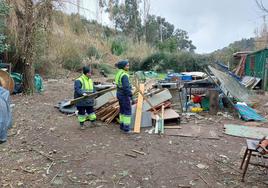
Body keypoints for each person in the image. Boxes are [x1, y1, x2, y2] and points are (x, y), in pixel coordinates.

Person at [115, 60, 132, 133]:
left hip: (119, 93)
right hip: (124, 95)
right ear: (123, 66)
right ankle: (126, 129)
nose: (128, 67)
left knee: (122, 110)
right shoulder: (124, 75)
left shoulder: (119, 73)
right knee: (127, 111)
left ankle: (122, 126)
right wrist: (131, 94)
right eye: (127, 65)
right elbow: (126, 87)